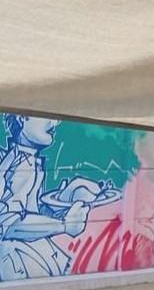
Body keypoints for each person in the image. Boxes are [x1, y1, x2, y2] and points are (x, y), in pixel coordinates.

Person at [0, 115, 111, 280]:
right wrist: (64, 225)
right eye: (44, 115)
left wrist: (58, 205)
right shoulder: (22, 164)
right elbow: (8, 224)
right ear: (21, 118)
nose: (56, 122)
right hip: (19, 260)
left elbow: (27, 211)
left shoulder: (28, 159)